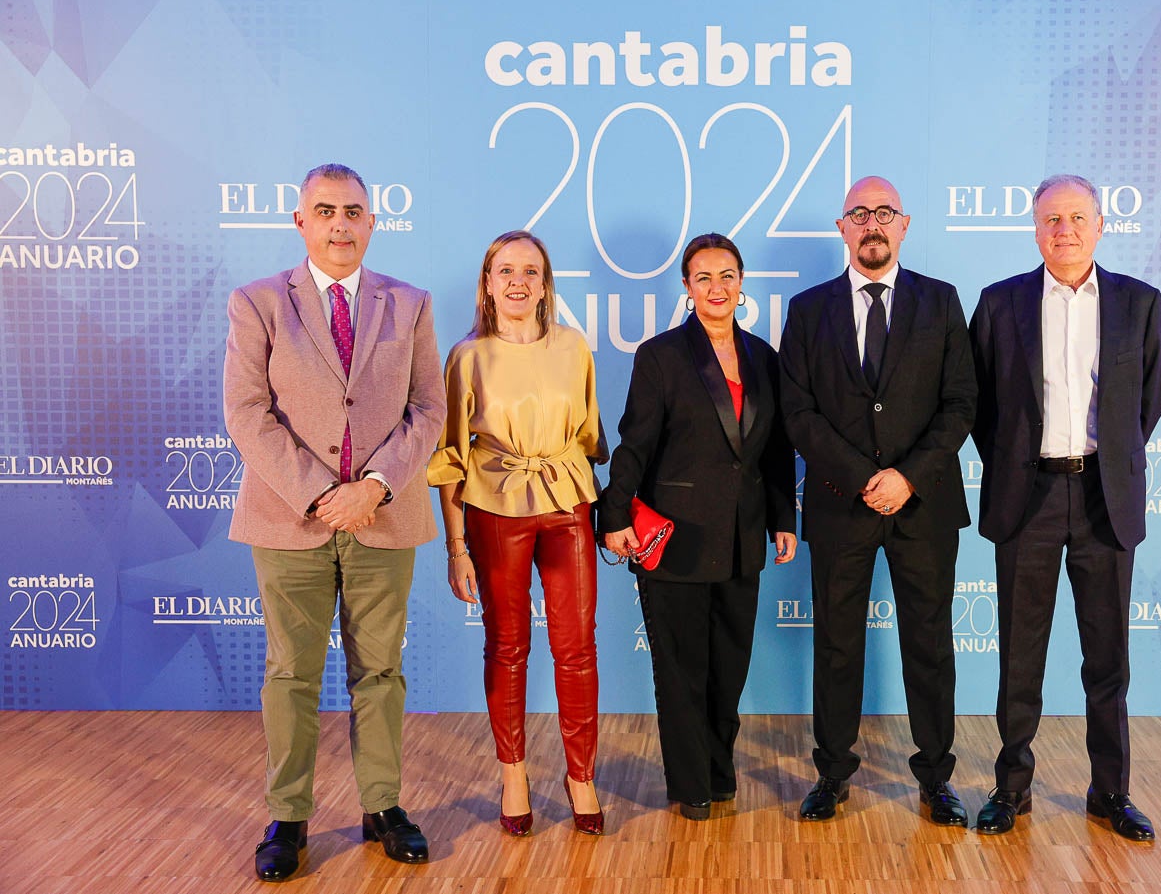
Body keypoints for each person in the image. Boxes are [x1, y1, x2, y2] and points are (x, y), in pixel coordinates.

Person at [224, 163, 444, 881]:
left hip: (383, 517)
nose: (340, 223)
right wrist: (323, 494)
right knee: (291, 672)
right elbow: (246, 412)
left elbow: (428, 410)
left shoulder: (409, 304)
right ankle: (288, 814)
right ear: (300, 221)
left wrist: (374, 486)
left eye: (353, 211)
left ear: (372, 221)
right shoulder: (256, 302)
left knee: (380, 671)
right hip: (290, 519)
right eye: (325, 210)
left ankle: (383, 805)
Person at [969, 174, 1161, 841]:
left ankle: (1109, 791)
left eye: (1077, 216)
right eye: (1051, 218)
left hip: (1102, 497)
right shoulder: (999, 304)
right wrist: (1014, 460)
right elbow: (979, 407)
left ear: (1099, 224)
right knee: (1019, 654)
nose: (1064, 229)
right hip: (1025, 497)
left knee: (1106, 658)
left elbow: (1148, 399)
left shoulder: (1138, 303)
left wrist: (1109, 460)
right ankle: (1010, 787)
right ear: (1035, 229)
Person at [778, 176, 977, 825]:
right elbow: (798, 412)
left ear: (904, 224)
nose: (871, 223)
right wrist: (867, 475)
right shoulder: (808, 311)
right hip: (842, 503)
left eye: (883, 212)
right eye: (858, 213)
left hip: (923, 505)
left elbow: (960, 404)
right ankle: (832, 774)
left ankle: (935, 777)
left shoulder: (942, 302)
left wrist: (907, 476)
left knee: (929, 642)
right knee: (836, 645)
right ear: (842, 228)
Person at [600, 233, 798, 821]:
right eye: (703, 278)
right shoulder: (660, 356)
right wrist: (613, 516)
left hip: (743, 539)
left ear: (742, 285)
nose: (717, 288)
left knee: (729, 666)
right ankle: (692, 784)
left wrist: (784, 519)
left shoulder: (765, 356)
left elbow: (777, 448)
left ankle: (719, 768)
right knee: (681, 669)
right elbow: (634, 443)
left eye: (727, 276)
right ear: (687, 288)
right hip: (676, 538)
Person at [427, 230, 607, 837]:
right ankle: (513, 773)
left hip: (567, 503)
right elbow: (450, 458)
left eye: (530, 271)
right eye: (506, 271)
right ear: (487, 283)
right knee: (507, 646)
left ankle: (580, 775)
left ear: (545, 284)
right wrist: (456, 547)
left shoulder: (574, 347)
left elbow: (589, 436)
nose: (518, 282)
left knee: (576, 647)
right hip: (493, 507)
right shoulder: (467, 357)